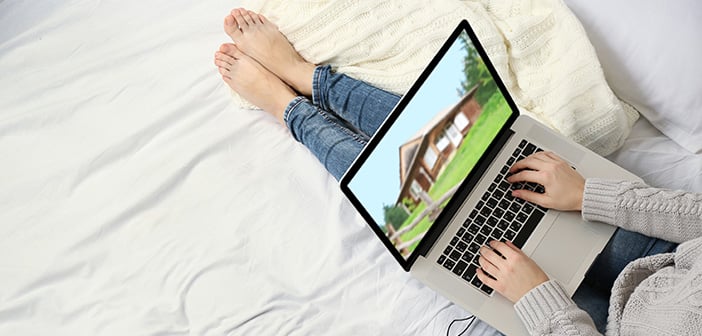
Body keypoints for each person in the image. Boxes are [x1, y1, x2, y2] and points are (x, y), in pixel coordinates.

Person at [215, 8, 702, 335]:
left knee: (417, 212)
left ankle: (290, 111)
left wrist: (540, 301)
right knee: (483, 150)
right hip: (668, 262)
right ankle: (309, 79)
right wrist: (588, 195)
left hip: (591, 327)